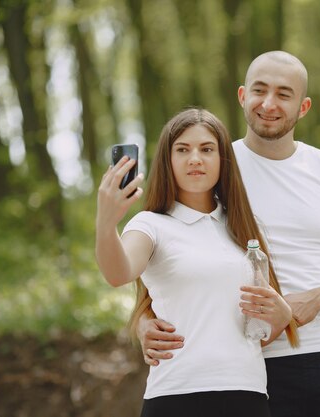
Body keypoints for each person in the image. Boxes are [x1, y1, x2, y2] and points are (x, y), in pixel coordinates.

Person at [139, 51, 320, 417]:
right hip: (247, 371)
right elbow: (161, 252)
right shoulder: (212, 168)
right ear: (242, 96)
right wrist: (144, 323)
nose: (269, 104)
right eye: (259, 90)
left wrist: (314, 300)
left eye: (283, 94)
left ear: (303, 107)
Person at [95, 108, 298, 417]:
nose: (195, 159)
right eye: (182, 149)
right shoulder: (150, 225)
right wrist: (106, 223)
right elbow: (117, 273)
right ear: (167, 160)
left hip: (247, 393)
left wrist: (283, 316)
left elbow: (254, 328)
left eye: (206, 149)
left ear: (222, 160)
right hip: (177, 395)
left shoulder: (242, 226)